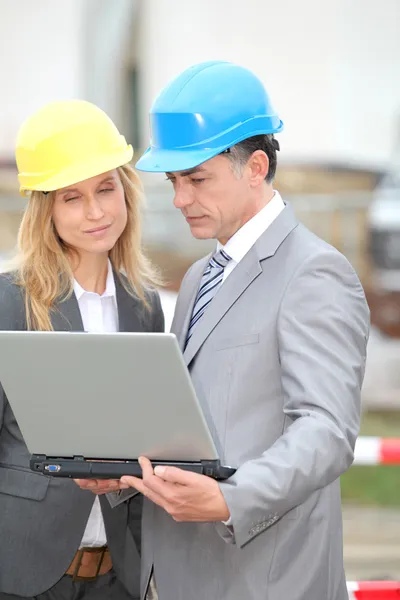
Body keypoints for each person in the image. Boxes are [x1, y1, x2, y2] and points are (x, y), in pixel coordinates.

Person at [80, 61, 370, 600]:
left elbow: (326, 430)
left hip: (264, 579)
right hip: (178, 574)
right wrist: (124, 475)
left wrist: (232, 499)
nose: (180, 199)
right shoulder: (198, 278)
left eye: (196, 179)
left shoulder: (314, 272)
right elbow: (189, 425)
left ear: (255, 166)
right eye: (173, 181)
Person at [0, 100, 164, 600]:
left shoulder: (144, 306)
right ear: (46, 209)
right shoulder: (11, 301)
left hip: (117, 576)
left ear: (126, 192)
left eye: (106, 189)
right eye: (72, 197)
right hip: (22, 573)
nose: (96, 212)